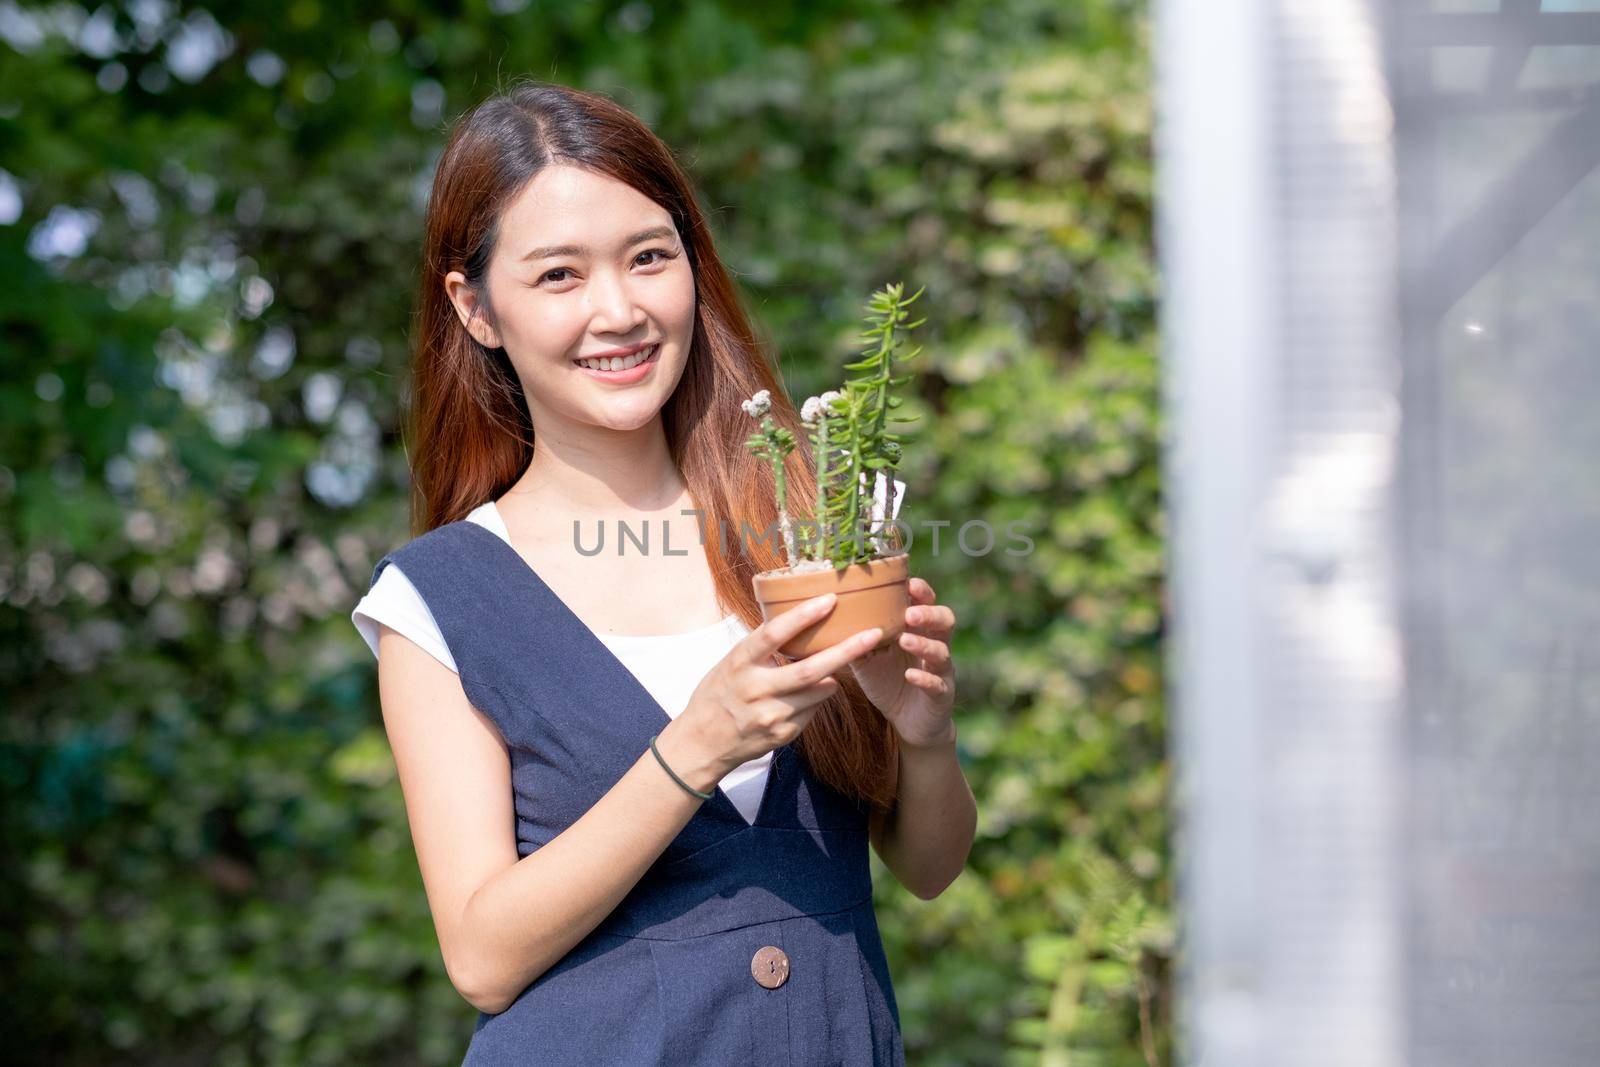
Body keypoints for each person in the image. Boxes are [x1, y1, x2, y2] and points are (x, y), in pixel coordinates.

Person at [349, 78, 975, 1065]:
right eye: (559, 276)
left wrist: (925, 736)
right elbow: (481, 953)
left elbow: (929, 868)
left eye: (649, 257)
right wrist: (694, 748)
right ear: (474, 308)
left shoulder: (802, 529)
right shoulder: (439, 597)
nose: (619, 310)